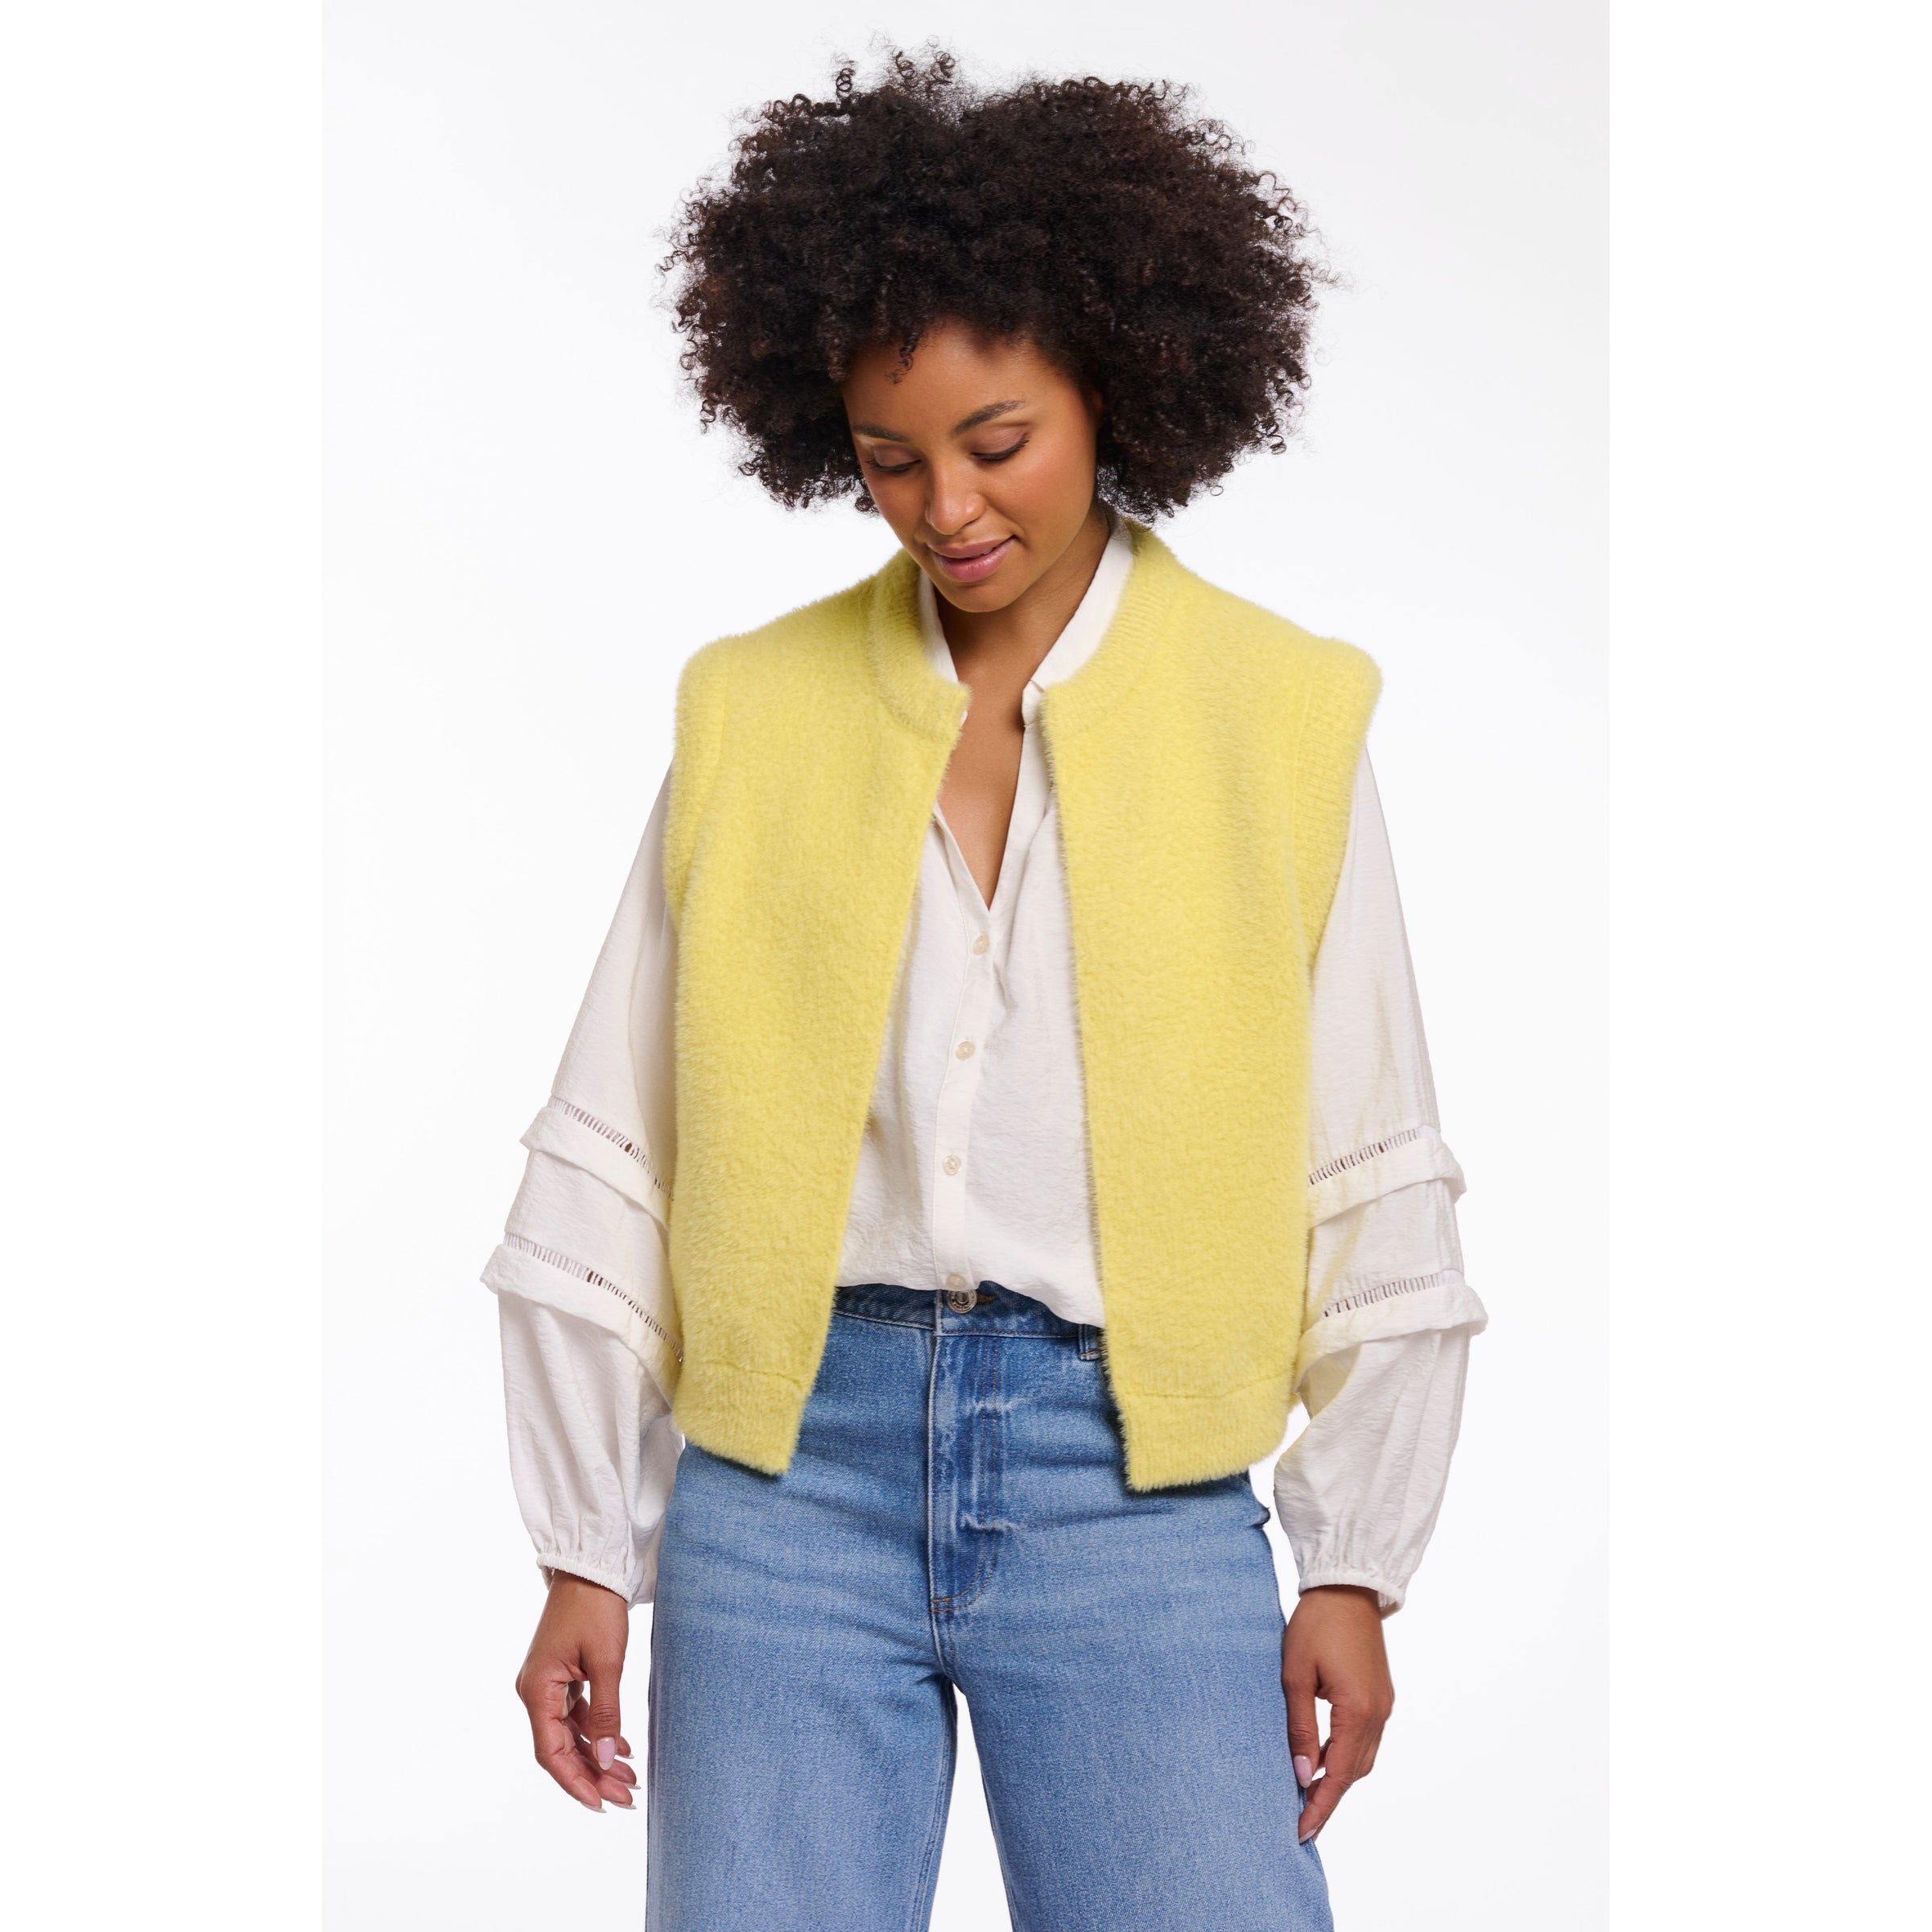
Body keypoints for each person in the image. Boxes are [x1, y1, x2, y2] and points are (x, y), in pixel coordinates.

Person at [483, 48, 1486, 1932]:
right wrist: (583, 1548)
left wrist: (1354, 1563)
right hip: (784, 1483)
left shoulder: (1279, 717)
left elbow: (1366, 1148)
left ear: (1116, 380)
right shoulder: (753, 712)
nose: (944, 506)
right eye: (888, 458)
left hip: (1135, 1488)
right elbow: (622, 1139)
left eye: (997, 440)